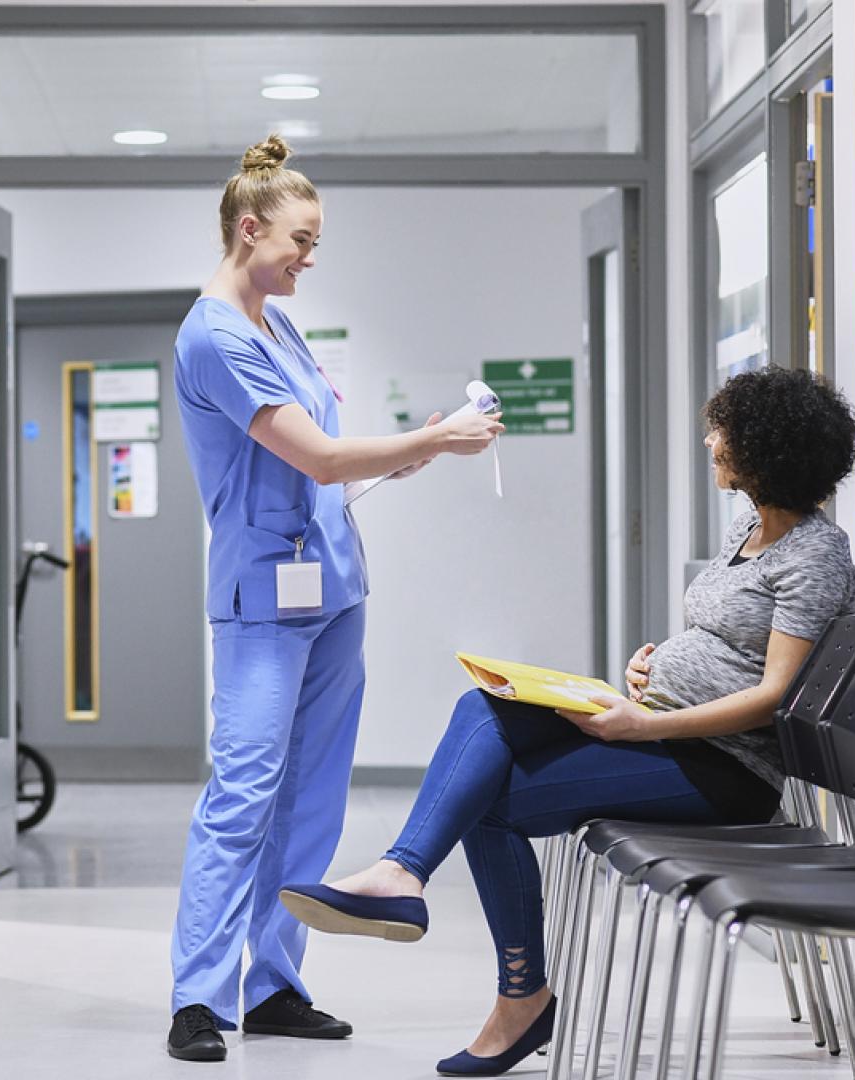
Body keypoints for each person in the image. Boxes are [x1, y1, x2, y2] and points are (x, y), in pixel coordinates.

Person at [280, 366, 855, 1076]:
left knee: (487, 806)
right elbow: (725, 639)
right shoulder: (750, 529)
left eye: (725, 432)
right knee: (485, 703)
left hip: (725, 768)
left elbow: (775, 694)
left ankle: (511, 991)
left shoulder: (815, 553)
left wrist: (644, 725)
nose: (712, 442)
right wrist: (656, 666)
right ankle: (405, 880)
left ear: (768, 451)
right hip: (668, 728)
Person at [165, 134, 506, 1064]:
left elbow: (323, 472)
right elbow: (314, 453)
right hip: (263, 606)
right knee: (243, 794)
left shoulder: (278, 323)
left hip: (333, 588)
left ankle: (274, 984)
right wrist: (433, 444)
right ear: (248, 229)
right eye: (300, 241)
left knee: (312, 799)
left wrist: (416, 445)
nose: (309, 259)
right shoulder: (217, 335)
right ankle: (197, 998)